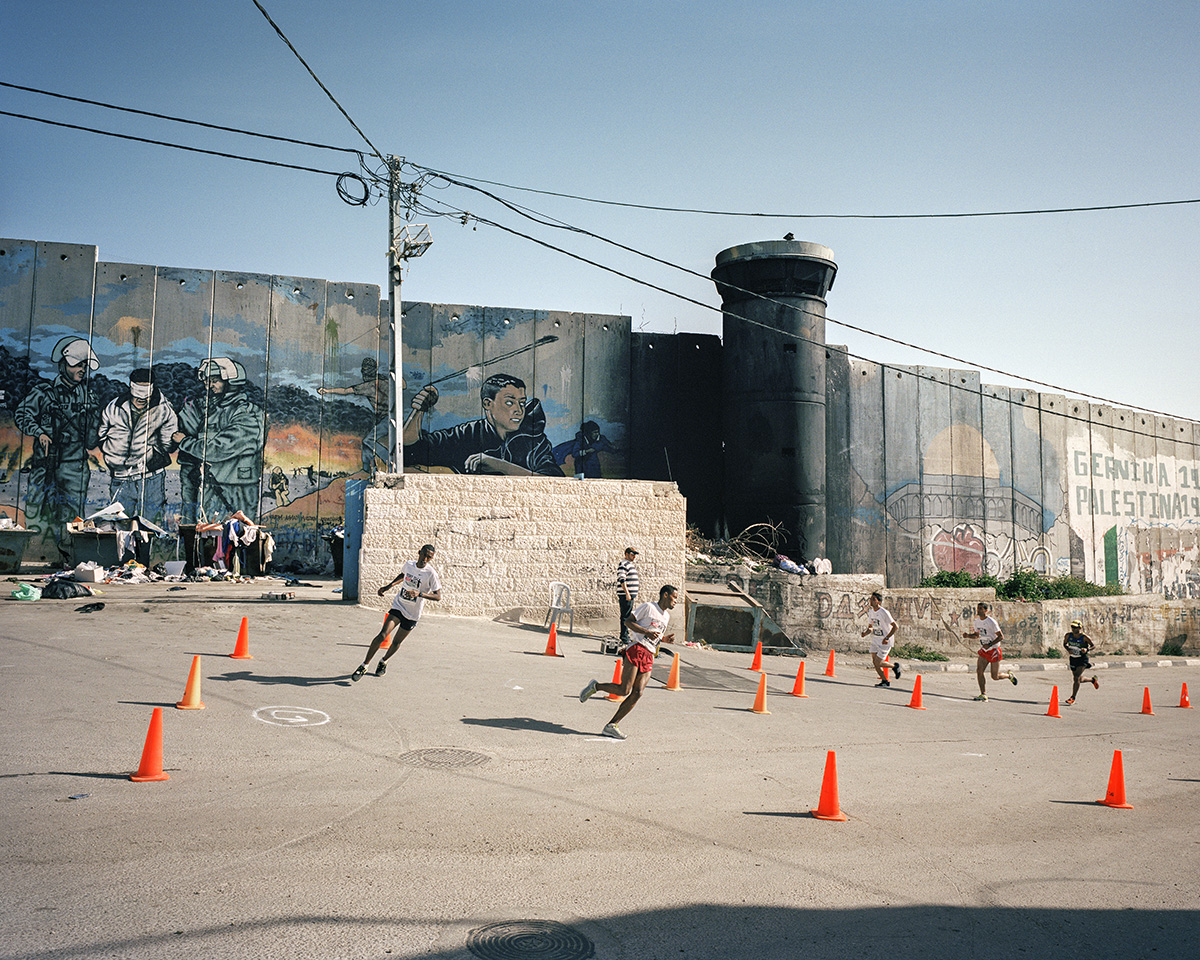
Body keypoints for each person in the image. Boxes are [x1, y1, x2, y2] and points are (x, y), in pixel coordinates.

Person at [14, 336, 102, 558]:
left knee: (73, 517)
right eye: (76, 364)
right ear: (63, 364)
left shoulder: (89, 396)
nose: (81, 369)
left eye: (84, 365)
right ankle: (35, 555)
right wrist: (39, 432)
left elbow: (92, 438)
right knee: (36, 510)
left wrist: (93, 420)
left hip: (74, 466)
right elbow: (22, 414)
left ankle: (70, 559)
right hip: (45, 463)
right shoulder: (43, 392)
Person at [403, 373, 562, 476]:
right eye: (509, 402)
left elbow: (555, 482)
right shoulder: (468, 434)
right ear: (487, 403)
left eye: (521, 403)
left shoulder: (533, 440)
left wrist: (500, 466)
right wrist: (419, 410)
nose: (519, 410)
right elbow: (409, 451)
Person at [579, 584, 677, 740]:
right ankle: (596, 686)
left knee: (638, 693)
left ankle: (611, 725)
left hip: (649, 654)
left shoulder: (666, 617)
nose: (675, 601)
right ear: (665, 595)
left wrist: (664, 639)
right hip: (636, 649)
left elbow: (655, 636)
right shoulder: (648, 608)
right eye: (674, 597)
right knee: (625, 690)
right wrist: (646, 632)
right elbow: (628, 622)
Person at [173, 358, 265, 522]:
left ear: (231, 381)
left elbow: (221, 448)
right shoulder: (210, 409)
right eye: (207, 381)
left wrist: (185, 442)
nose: (209, 386)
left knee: (240, 536)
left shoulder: (248, 413)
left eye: (215, 381)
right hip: (213, 484)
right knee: (210, 536)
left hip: (237, 488)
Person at [351, 544, 442, 681]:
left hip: (412, 614)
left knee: (396, 642)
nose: (425, 559)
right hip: (399, 606)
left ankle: (383, 661)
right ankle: (364, 665)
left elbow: (438, 596)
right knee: (382, 635)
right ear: (419, 552)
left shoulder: (431, 574)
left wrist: (420, 594)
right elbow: (403, 575)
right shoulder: (409, 565)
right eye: (424, 554)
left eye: (429, 557)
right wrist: (389, 586)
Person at [98, 368, 178, 524]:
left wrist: (151, 454)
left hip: (150, 477)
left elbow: (168, 444)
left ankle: (145, 549)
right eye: (138, 394)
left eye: (145, 395)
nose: (141, 399)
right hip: (120, 476)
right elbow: (101, 434)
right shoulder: (114, 407)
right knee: (119, 526)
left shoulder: (164, 410)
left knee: (150, 526)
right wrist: (114, 455)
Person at [318, 356, 390, 474]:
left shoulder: (368, 386)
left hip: (387, 419)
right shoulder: (385, 380)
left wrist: (327, 391)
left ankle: (391, 460)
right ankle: (367, 470)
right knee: (366, 444)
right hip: (388, 419)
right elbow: (403, 385)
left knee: (369, 441)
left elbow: (346, 391)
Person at [963, 601, 1017, 701]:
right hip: (984, 650)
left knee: (995, 676)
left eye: (980, 609)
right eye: (977, 608)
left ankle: (1009, 675)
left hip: (994, 650)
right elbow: (977, 635)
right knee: (979, 671)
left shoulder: (991, 622)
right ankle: (983, 694)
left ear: (985, 610)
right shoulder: (977, 622)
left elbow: (1001, 636)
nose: (978, 610)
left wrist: (990, 644)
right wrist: (968, 636)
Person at [861, 591, 902, 687]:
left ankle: (895, 666)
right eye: (871, 599)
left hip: (885, 641)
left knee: (878, 662)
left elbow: (895, 626)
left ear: (879, 602)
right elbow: (871, 627)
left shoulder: (884, 612)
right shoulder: (871, 612)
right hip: (876, 640)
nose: (871, 601)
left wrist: (887, 637)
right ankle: (885, 681)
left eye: (873, 599)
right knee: (875, 662)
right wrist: (865, 633)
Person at [1063, 619, 1100, 705]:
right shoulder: (1068, 636)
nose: (1073, 629)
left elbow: (1093, 646)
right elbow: (1065, 644)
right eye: (1072, 627)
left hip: (1082, 659)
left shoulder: (1084, 637)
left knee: (1076, 677)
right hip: (1073, 658)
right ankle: (1092, 680)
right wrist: (1068, 649)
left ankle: (1072, 697)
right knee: (1078, 678)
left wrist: (1086, 649)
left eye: (1075, 627)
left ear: (1080, 628)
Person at [616, 547, 639, 647]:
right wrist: (627, 593)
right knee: (625, 616)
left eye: (634, 554)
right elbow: (622, 579)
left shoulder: (630, 565)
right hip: (626, 595)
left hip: (629, 595)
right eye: (632, 554)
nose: (634, 556)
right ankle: (624, 637)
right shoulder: (623, 564)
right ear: (626, 554)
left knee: (627, 614)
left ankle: (625, 635)